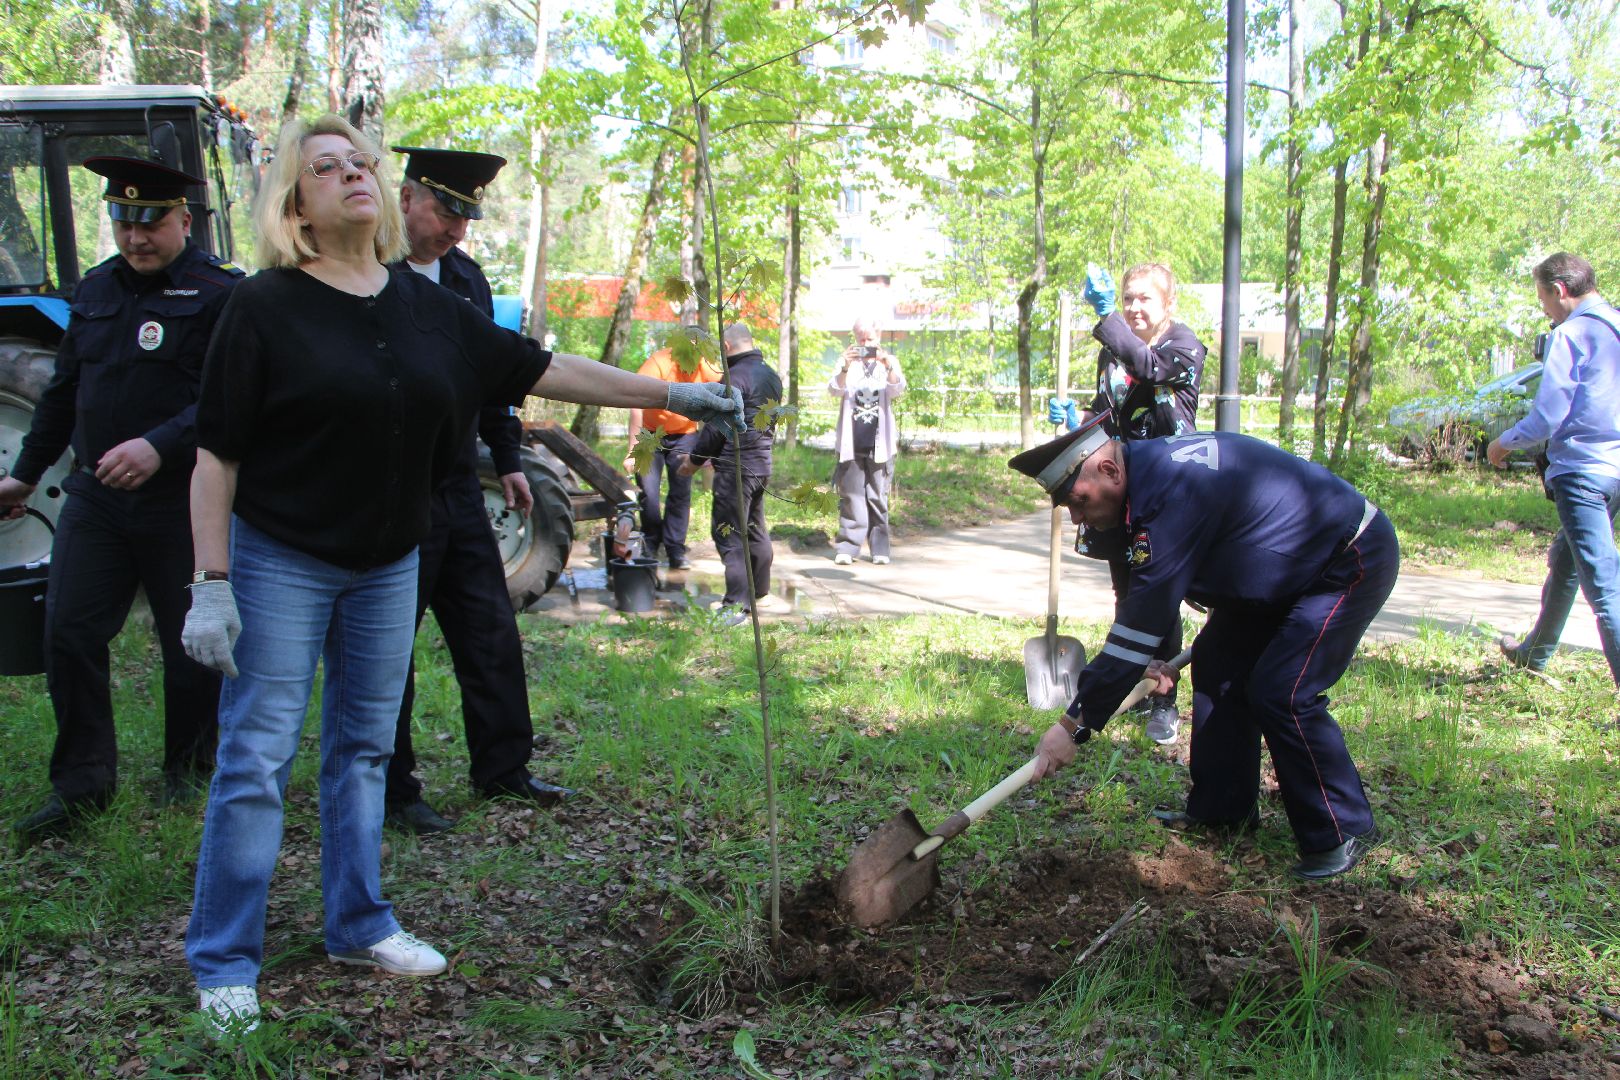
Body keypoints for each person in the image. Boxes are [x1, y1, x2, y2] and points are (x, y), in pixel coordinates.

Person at [176, 115, 743, 1036]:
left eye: (362, 162)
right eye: (329, 167)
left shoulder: (420, 301)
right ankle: (224, 959)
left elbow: (544, 366)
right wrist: (212, 579)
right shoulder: (265, 305)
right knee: (258, 755)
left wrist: (675, 396)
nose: (355, 175)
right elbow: (217, 456)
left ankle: (357, 924)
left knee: (363, 749)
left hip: (389, 559)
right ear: (297, 204)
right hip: (283, 556)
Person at [1011, 417, 1397, 880]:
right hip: (1277, 578)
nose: (1075, 516)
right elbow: (1140, 605)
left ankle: (1344, 828)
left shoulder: (1171, 493)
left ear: (1110, 471)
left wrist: (1073, 723)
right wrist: (1146, 656)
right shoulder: (1145, 484)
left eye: (1078, 501)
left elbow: (1141, 620)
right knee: (1217, 664)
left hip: (1344, 559)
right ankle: (1223, 810)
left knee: (1282, 691)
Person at [0, 157, 243, 845]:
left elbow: (230, 400)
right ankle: (81, 786)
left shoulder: (220, 292)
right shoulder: (95, 289)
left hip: (183, 499)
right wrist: (23, 475)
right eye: (123, 220)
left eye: (152, 222)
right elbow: (61, 394)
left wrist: (158, 445)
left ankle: (190, 773)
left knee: (187, 643)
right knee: (69, 633)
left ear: (183, 220)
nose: (136, 237)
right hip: (97, 502)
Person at [379, 145, 570, 836]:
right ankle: (393, 791)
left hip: (460, 483)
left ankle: (503, 770)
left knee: (489, 631)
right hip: (393, 491)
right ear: (404, 200)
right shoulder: (369, 274)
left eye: (466, 214)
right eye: (443, 208)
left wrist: (510, 460)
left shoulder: (466, 278)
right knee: (389, 647)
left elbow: (495, 376)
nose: (456, 227)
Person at [1050, 263, 1207, 746]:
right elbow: (1110, 412)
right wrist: (1079, 421)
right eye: (1127, 298)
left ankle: (1165, 700)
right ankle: (1132, 686)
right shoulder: (1112, 352)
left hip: (1168, 489)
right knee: (1128, 593)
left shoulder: (1184, 347)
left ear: (1168, 303)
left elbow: (1149, 367)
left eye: (1145, 299)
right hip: (1118, 488)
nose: (1135, 307)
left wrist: (1106, 318)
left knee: (1160, 596)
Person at [1489, 253, 1620, 685]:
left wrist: (1503, 444)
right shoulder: (1616, 326)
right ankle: (1534, 653)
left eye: (1542, 297)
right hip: (1616, 470)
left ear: (1559, 291)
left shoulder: (1571, 334)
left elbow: (1547, 417)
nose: (1544, 307)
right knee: (1566, 560)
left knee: (1603, 586)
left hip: (1582, 472)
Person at [677, 323, 782, 624]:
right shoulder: (770, 374)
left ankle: (736, 607)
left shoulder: (734, 378)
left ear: (726, 348)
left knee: (730, 533)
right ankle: (759, 592)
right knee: (754, 528)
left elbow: (716, 428)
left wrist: (693, 462)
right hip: (762, 465)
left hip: (736, 466)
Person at [622, 330, 721, 570]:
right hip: (649, 434)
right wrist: (632, 449)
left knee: (680, 492)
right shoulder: (659, 362)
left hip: (685, 433)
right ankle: (650, 544)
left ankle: (676, 549)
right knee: (648, 492)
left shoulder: (706, 366)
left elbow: (719, 397)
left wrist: (709, 451)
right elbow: (636, 402)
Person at [829, 317, 905, 566]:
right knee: (851, 495)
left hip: (879, 442)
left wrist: (888, 365)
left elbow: (897, 389)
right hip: (852, 441)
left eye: (870, 339)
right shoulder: (847, 363)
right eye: (861, 339)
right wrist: (844, 367)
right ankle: (848, 547)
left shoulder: (888, 363)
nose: (865, 344)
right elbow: (834, 390)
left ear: (878, 338)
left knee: (878, 496)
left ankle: (879, 548)